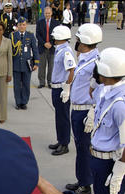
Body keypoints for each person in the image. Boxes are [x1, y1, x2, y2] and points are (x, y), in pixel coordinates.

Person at [90, 47, 125, 194]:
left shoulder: (120, 104)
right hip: (98, 158)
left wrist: (119, 171)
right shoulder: (106, 90)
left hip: (111, 162)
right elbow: (93, 95)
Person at [65, 23, 102, 194]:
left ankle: (86, 186)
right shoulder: (85, 57)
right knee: (80, 148)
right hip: (77, 109)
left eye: (79, 40)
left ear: (86, 41)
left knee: (85, 149)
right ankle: (82, 181)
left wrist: (93, 112)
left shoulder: (96, 62)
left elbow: (101, 91)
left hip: (86, 112)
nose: (77, 42)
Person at [49, 26, 76, 156]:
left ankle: (64, 144)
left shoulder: (66, 51)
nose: (53, 38)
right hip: (56, 88)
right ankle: (60, 140)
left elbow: (72, 70)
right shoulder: (60, 49)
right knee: (59, 116)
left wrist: (67, 88)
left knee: (63, 117)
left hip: (61, 88)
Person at [11, 17, 39, 110]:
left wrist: (36, 63)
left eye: (23, 25)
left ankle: (24, 102)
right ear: (17, 26)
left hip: (27, 64)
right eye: (20, 25)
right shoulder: (13, 36)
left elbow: (35, 50)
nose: (22, 26)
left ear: (26, 25)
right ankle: (18, 102)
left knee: (26, 84)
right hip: (16, 64)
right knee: (17, 85)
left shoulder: (30, 35)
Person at [36, 6, 60, 89]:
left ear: (51, 13)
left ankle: (50, 82)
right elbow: (38, 35)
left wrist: (51, 43)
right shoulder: (40, 22)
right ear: (44, 13)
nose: (47, 15)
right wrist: (44, 43)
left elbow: (57, 35)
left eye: (49, 13)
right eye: (46, 13)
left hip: (52, 48)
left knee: (51, 66)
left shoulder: (56, 23)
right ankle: (42, 82)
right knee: (42, 66)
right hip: (42, 47)